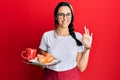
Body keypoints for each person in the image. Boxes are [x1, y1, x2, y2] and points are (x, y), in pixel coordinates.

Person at [38, 2, 93, 80]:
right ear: (56, 17)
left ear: (71, 16)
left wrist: (87, 48)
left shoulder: (78, 37)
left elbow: (81, 67)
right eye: (61, 14)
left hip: (71, 77)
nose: (65, 18)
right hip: (50, 77)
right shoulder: (47, 36)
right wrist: (38, 61)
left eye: (68, 14)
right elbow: (42, 65)